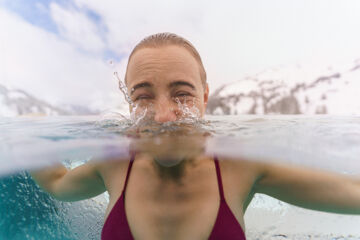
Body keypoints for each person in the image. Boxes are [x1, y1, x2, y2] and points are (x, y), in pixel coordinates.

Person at [30, 33, 360, 240]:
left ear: (204, 97)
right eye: (143, 96)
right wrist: (32, 130)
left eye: (182, 94)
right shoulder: (115, 165)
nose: (162, 117)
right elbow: (59, 182)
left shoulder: (237, 166)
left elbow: (352, 191)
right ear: (128, 101)